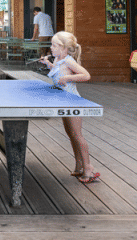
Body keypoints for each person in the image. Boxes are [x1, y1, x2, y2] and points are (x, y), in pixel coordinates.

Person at [40, 31, 100, 184]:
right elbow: (58, 72)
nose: (51, 48)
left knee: (77, 135)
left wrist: (68, 78)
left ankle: (88, 168)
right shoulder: (60, 60)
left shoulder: (68, 61)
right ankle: (79, 166)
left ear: (64, 48)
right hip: (64, 102)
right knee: (71, 134)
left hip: (73, 102)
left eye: (54, 45)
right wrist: (48, 64)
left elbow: (86, 75)